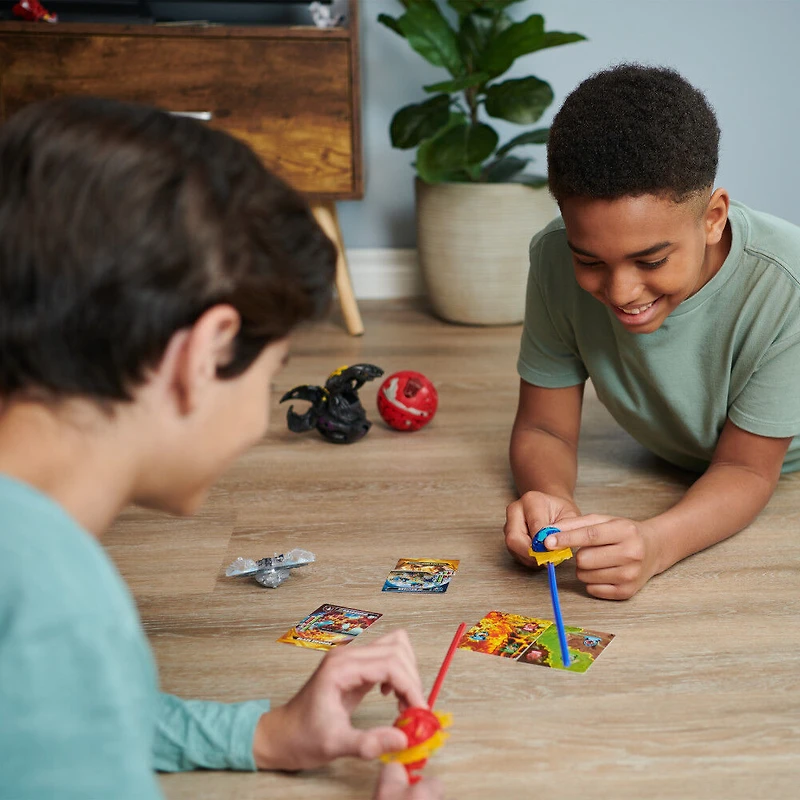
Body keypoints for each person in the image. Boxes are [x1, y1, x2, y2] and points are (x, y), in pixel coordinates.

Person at [0, 96, 442, 800]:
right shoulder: (60, 609)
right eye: (272, 374)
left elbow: (38, 714)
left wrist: (261, 735)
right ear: (203, 356)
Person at [504, 64, 800, 600]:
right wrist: (550, 498)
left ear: (713, 218)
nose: (620, 292)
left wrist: (657, 544)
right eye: (589, 260)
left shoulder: (787, 284)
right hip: (686, 450)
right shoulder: (551, 256)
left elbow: (747, 470)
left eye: (652, 260)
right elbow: (544, 429)